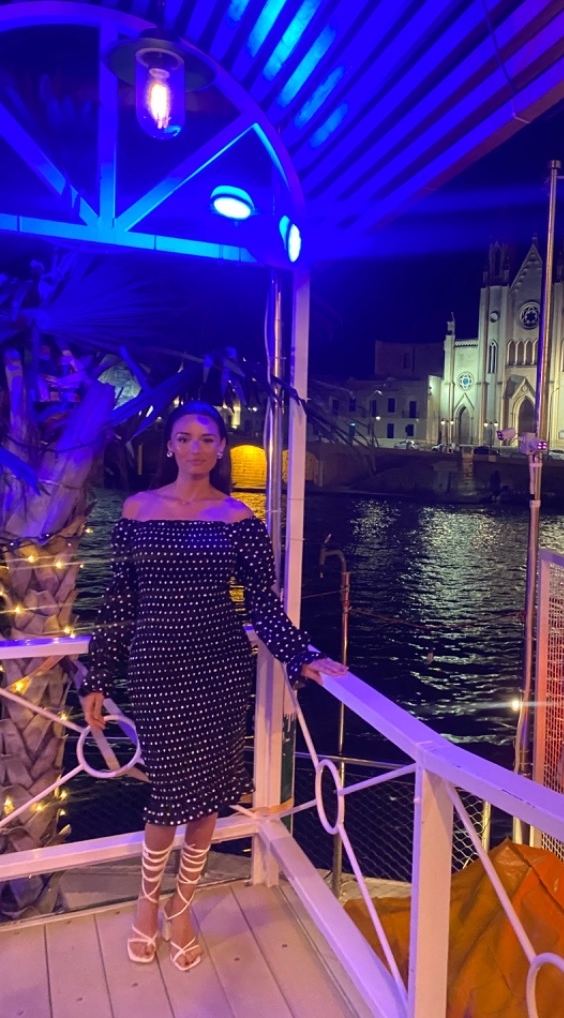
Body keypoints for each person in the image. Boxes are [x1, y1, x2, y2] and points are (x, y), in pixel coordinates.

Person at [79, 400, 346, 972]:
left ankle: (181, 907)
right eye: (184, 437)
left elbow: (263, 607)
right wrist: (96, 675)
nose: (195, 448)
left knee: (205, 794)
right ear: (169, 446)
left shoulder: (238, 519)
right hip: (155, 669)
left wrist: (304, 655)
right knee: (167, 794)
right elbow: (119, 601)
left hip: (218, 669)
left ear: (221, 447)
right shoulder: (138, 509)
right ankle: (148, 905)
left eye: (206, 438)